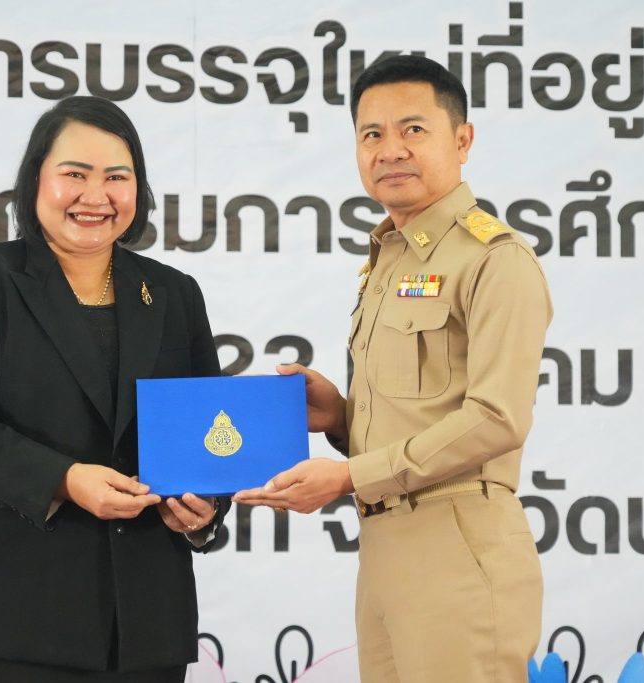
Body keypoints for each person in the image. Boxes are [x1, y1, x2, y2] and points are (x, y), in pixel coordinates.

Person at [233, 56, 552, 682]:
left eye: (413, 129)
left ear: (462, 140)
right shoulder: (389, 258)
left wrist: (350, 475)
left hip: (457, 547)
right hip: (383, 550)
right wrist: (339, 419)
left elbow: (497, 418)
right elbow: (418, 413)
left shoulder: (494, 258)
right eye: (371, 134)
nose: (390, 150)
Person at [0, 96, 228, 682]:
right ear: (36, 179)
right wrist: (65, 478)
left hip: (146, 625)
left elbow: (209, 430)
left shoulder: (174, 292)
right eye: (75, 174)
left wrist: (204, 511)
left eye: (117, 177)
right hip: (14, 614)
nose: (96, 195)